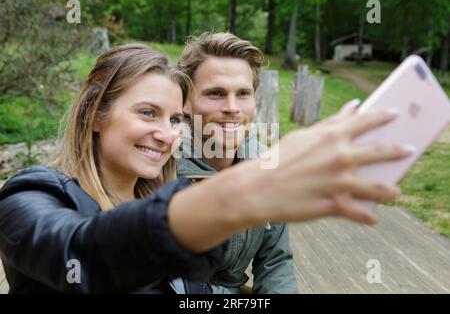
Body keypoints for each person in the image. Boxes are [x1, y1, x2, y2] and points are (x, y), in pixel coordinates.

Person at [0, 43, 413, 294]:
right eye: (147, 113)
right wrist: (246, 193)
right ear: (94, 115)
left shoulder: (164, 195)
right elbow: (85, 257)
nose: (166, 134)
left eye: (175, 119)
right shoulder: (31, 195)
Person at [176, 32, 298, 293]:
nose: (232, 107)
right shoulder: (160, 167)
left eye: (243, 93)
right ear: (186, 101)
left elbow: (275, 261)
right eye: (216, 93)